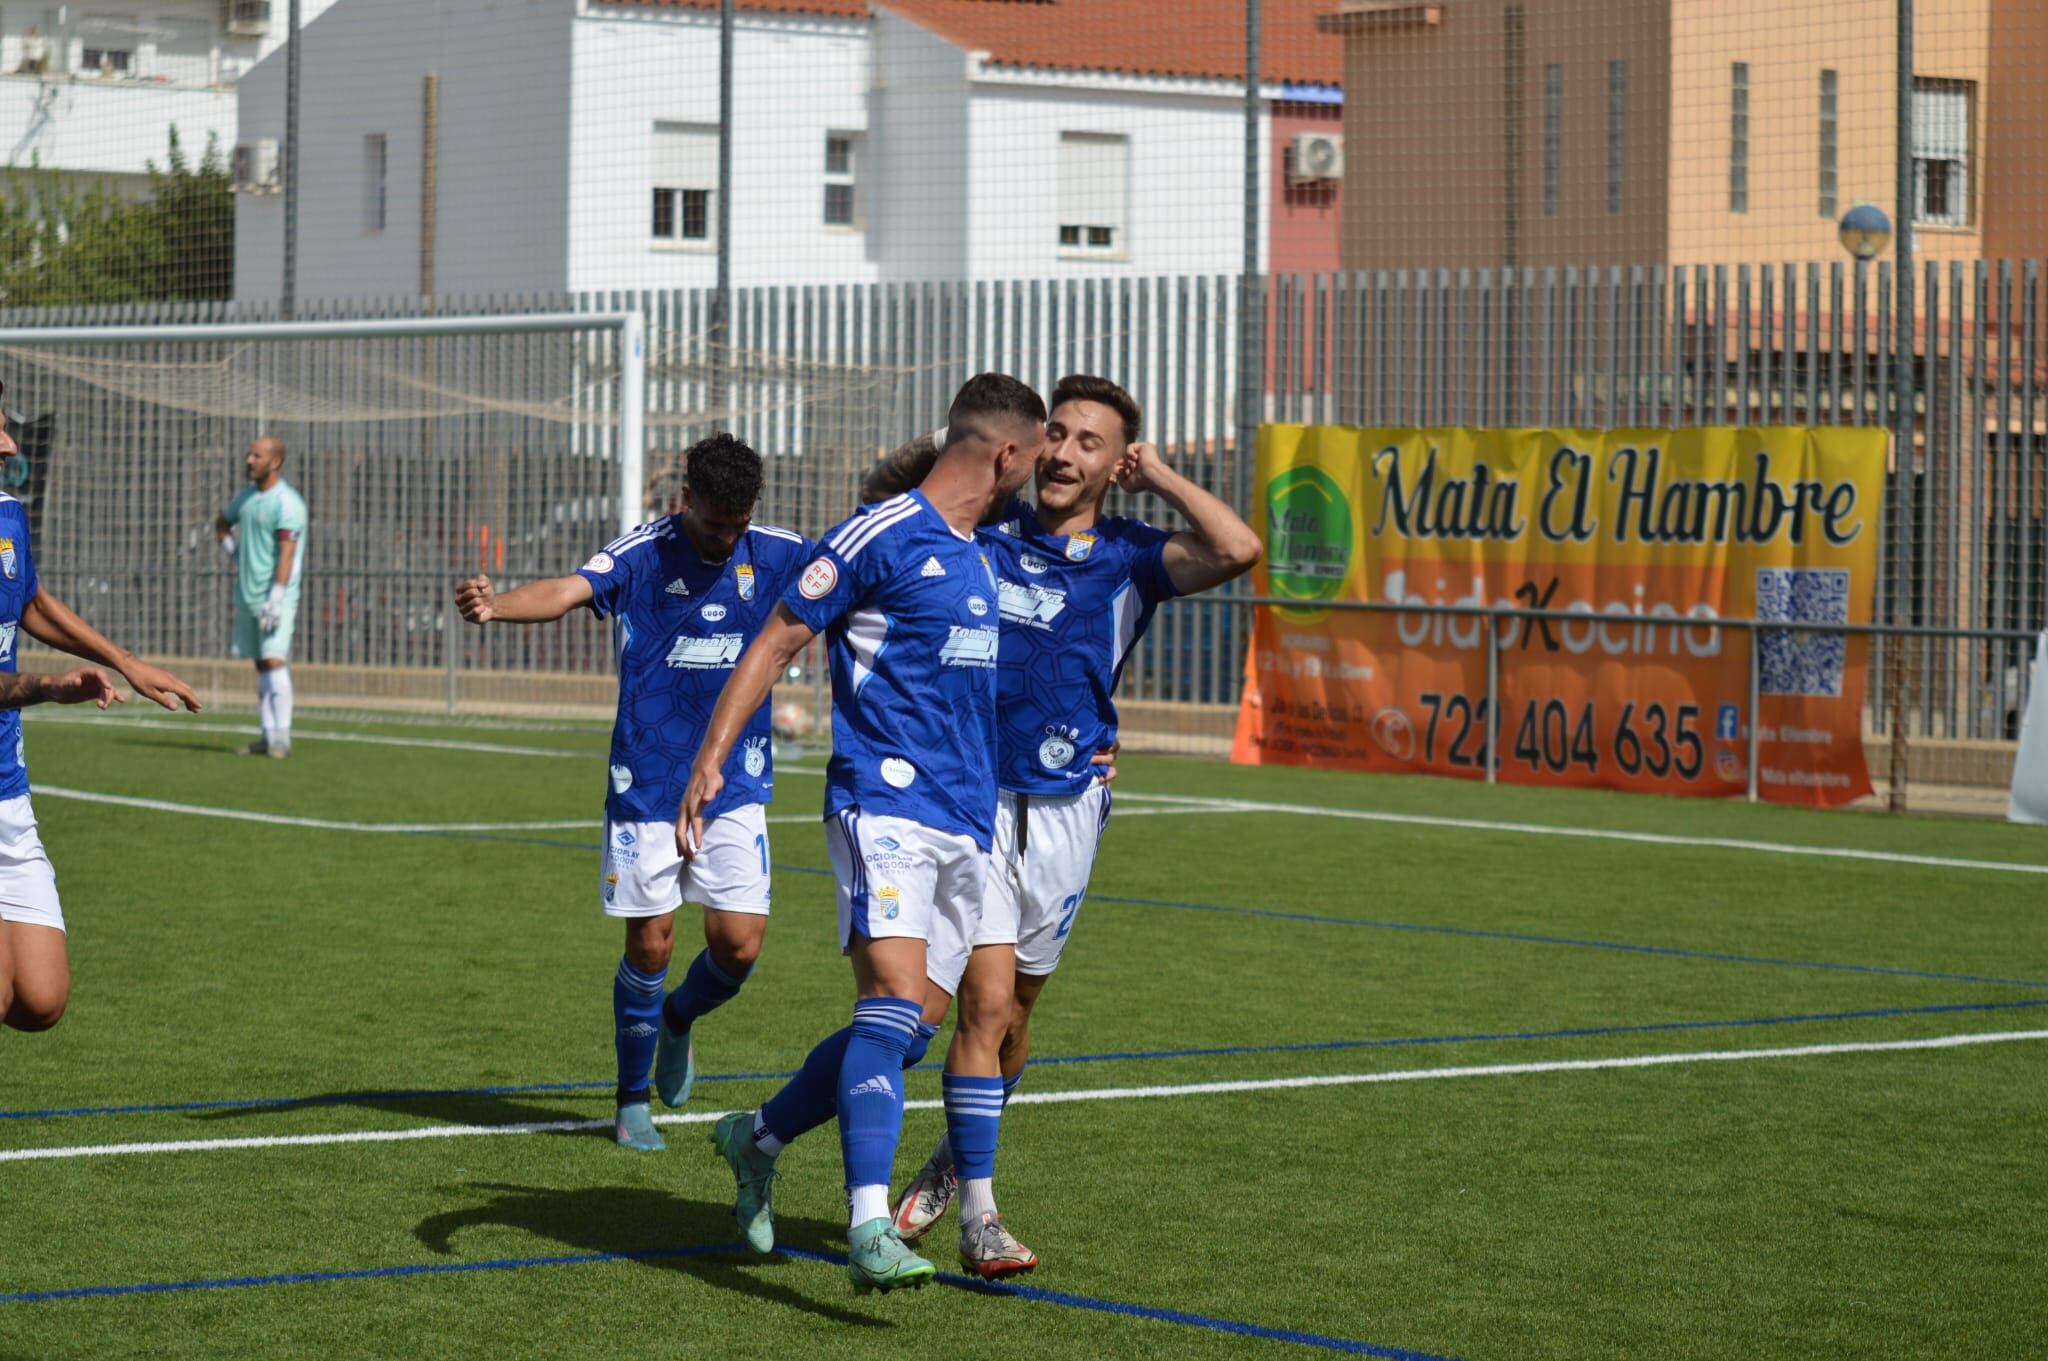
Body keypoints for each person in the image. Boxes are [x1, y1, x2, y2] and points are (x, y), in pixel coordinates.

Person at [874, 375, 1261, 1259]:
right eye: (1057, 431)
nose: (1065, 451)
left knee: (1014, 1015)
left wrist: (1160, 476)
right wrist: (959, 443)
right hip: (971, 798)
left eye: (1092, 441)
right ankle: (980, 1214)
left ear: (1116, 463)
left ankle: (951, 1160)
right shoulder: (984, 524)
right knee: (976, 1006)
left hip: (1067, 811)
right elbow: (886, 496)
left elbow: (1239, 547)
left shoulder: (1130, 556)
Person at [680, 374, 1043, 1295]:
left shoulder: (982, 550)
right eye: (1035, 456)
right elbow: (775, 640)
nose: (1037, 474)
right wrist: (711, 759)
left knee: (929, 1026)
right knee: (888, 1004)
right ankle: (870, 1223)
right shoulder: (874, 535)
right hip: (883, 808)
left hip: (969, 819)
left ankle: (757, 1136)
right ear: (1006, 453)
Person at [455, 433, 810, 1154]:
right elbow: (568, 590)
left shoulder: (777, 552)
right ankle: (630, 1099)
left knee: (739, 947)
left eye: (737, 524)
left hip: (734, 780)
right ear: (686, 499)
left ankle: (679, 1018)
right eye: (714, 522)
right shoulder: (643, 553)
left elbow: (855, 574)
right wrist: (497, 607)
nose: (726, 537)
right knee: (651, 944)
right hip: (646, 781)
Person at [0, 389, 204, 1032]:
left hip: (8, 797)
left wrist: (124, 660)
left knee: (40, 998)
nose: (9, 445)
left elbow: (31, 601)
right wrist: (49, 687)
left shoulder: (7, 515)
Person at [214, 436, 308, 758]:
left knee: (274, 660)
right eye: (249, 454)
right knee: (261, 664)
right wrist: (236, 553)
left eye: (257, 455)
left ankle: (282, 738)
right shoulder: (246, 498)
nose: (249, 460)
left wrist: (277, 596)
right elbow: (222, 523)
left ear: (275, 461)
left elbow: (287, 553)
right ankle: (267, 737)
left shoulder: (287, 502)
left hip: (276, 597)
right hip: (248, 595)